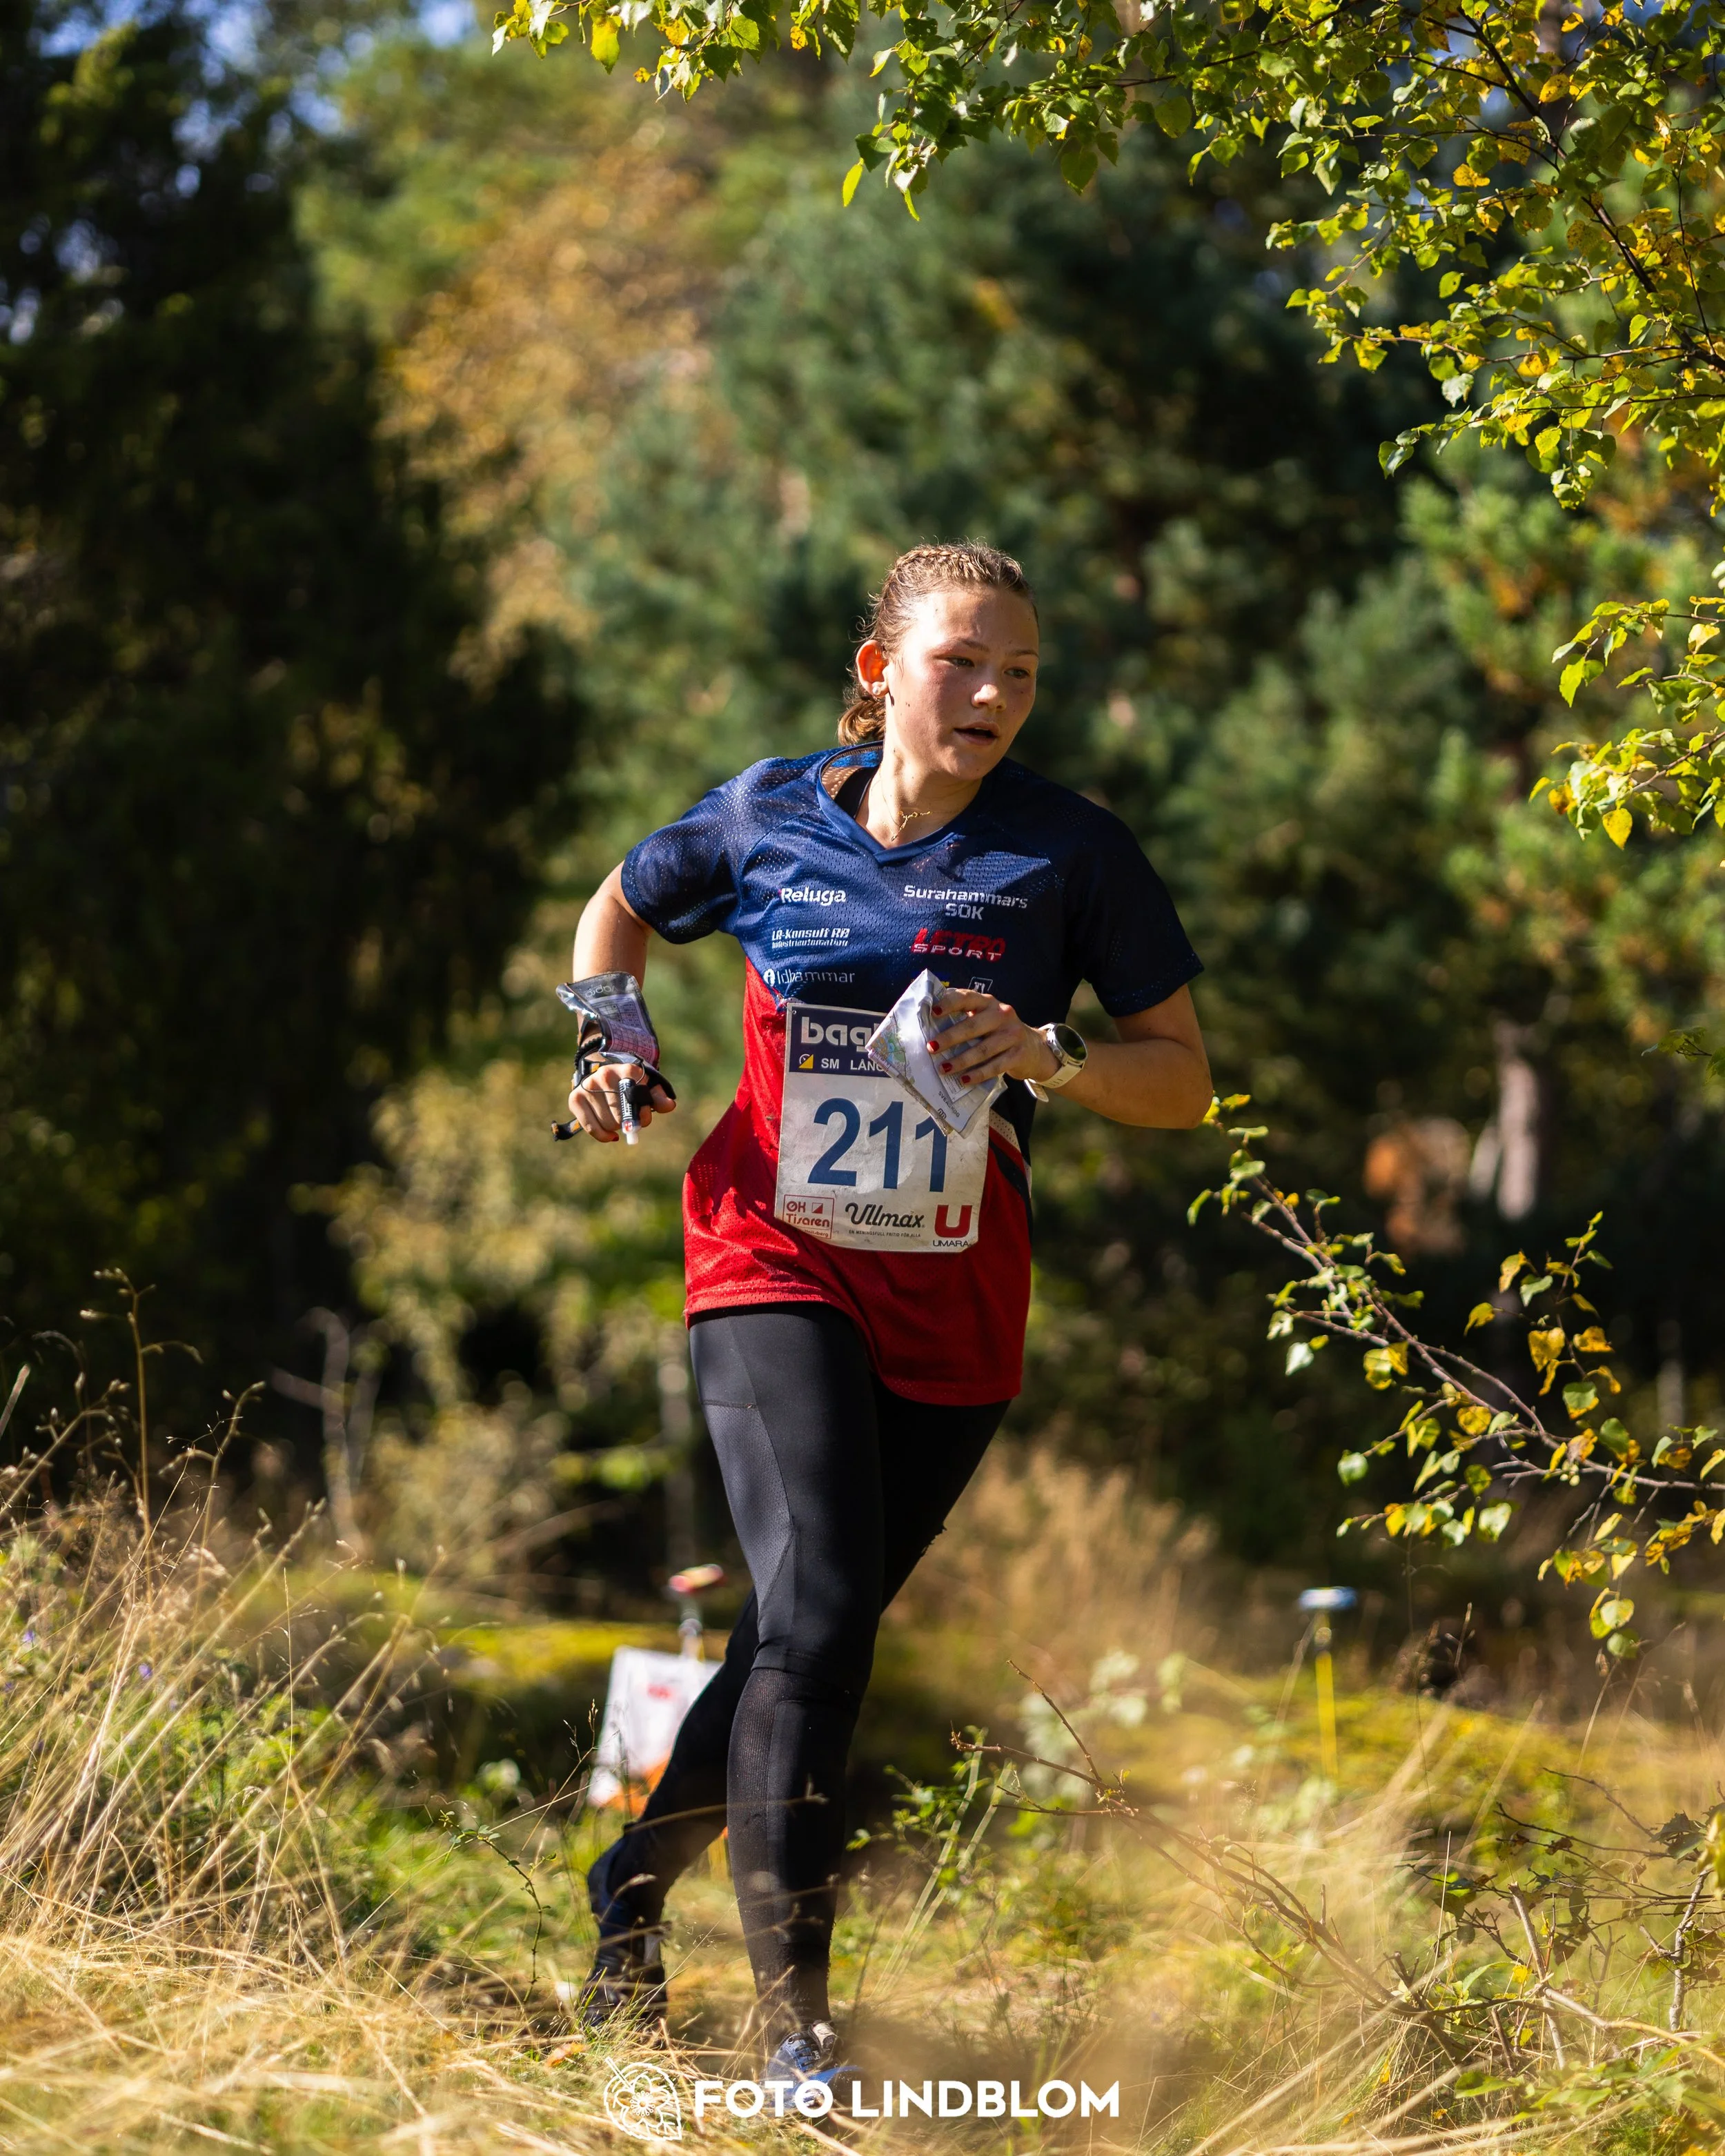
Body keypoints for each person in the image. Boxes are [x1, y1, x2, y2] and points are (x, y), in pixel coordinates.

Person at [564, 541, 1211, 2083]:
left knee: (805, 1625)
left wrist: (1048, 1056)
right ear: (879, 672)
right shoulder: (767, 814)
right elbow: (616, 907)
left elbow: (1180, 1079)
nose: (992, 694)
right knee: (826, 1613)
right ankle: (799, 2030)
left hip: (954, 1300)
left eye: (1020, 673)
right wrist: (613, 1045)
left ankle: (628, 1885)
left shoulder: (1072, 855)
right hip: (767, 1249)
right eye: (958, 662)